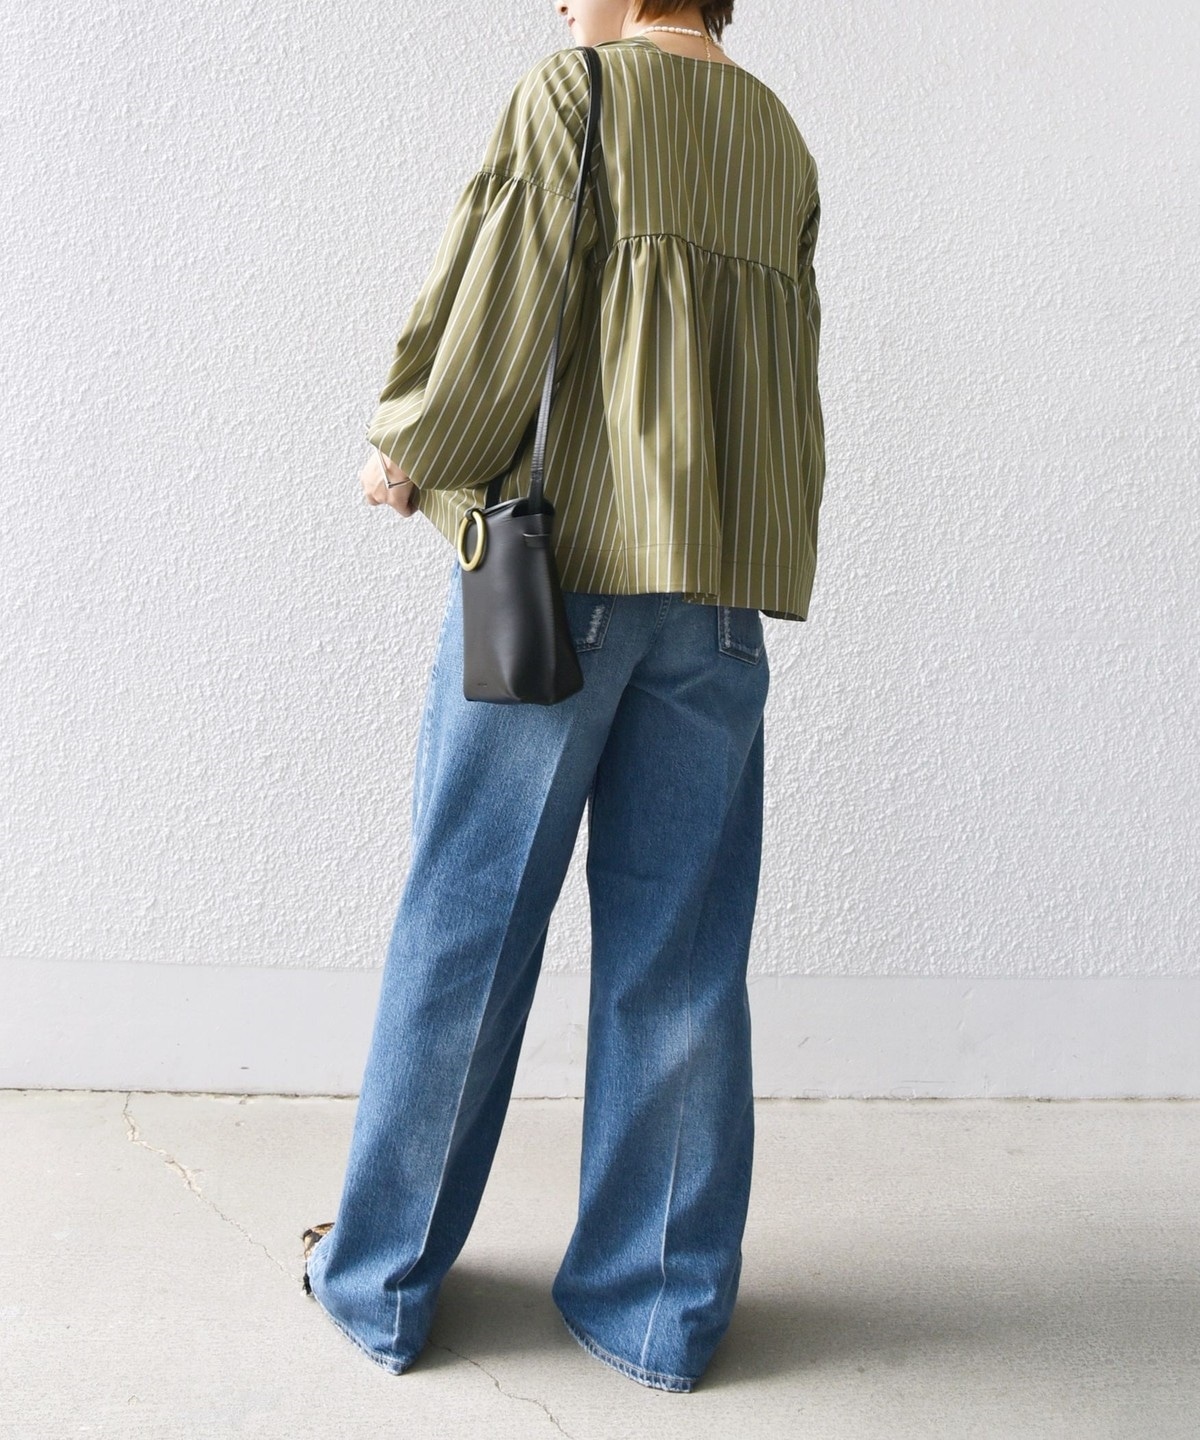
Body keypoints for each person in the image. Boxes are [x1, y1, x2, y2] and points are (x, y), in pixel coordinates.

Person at [302, 0, 825, 1394]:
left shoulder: (575, 93)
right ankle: (655, 1314)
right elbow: (784, 390)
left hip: (559, 581)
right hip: (716, 597)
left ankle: (382, 1282)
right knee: (683, 956)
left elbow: (502, 290)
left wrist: (410, 445)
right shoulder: (776, 134)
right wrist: (752, 563)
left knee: (469, 922)